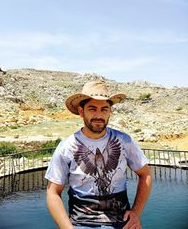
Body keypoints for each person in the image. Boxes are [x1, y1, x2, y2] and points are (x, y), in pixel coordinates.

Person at [45, 80, 152, 229]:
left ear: (110, 112)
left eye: (104, 109)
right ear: (81, 111)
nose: (98, 115)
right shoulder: (67, 147)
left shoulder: (124, 141)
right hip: (81, 224)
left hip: (121, 223)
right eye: (92, 109)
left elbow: (145, 174)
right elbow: (52, 192)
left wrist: (135, 213)